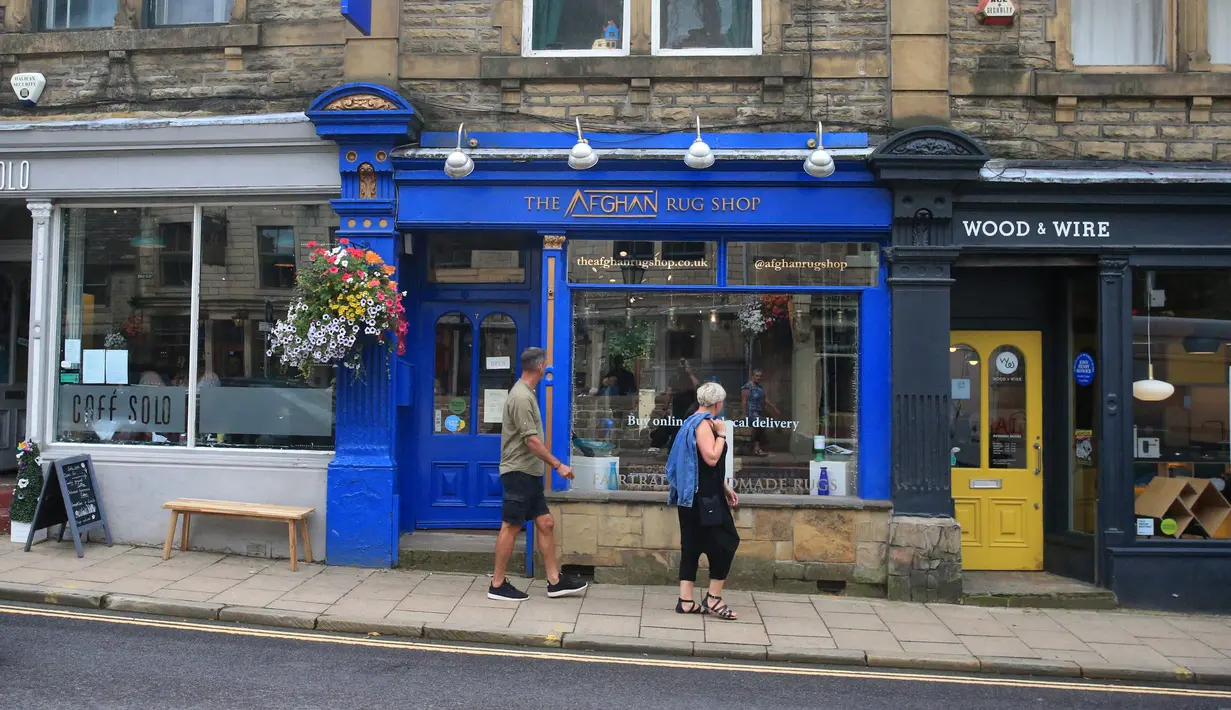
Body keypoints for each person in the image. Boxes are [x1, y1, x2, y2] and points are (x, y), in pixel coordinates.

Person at [488, 347, 589, 602]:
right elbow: (531, 441)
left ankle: (555, 581)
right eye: (547, 364)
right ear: (541, 367)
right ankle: (497, 584)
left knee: (545, 523)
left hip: (530, 472)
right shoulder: (521, 397)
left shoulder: (527, 393)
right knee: (511, 525)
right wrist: (558, 465)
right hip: (518, 472)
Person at [666, 382, 740, 620]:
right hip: (705, 498)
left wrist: (724, 486)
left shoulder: (689, 421)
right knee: (728, 541)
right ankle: (713, 598)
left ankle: (686, 601)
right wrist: (722, 434)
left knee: (692, 545)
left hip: (691, 496)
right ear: (717, 403)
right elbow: (711, 458)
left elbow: (698, 465)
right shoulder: (704, 425)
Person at [741, 368, 781, 457]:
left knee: (761, 429)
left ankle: (756, 448)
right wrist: (744, 414)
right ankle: (756, 448)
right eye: (757, 376)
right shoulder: (747, 387)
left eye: (760, 376)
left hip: (759, 412)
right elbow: (744, 401)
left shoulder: (760, 388)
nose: (759, 378)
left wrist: (774, 407)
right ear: (752, 376)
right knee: (759, 428)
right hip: (751, 412)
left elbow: (765, 399)